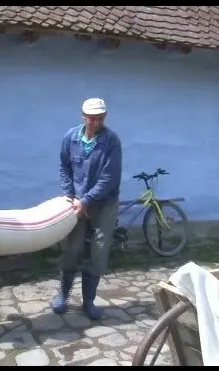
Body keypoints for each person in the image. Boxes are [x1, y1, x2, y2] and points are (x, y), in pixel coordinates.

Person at [52, 98, 123, 320]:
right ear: (83, 116)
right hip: (76, 203)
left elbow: (109, 178)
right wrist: (71, 196)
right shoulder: (71, 137)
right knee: (72, 247)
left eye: (100, 119)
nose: (95, 123)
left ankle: (88, 301)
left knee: (99, 251)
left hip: (103, 204)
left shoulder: (111, 141)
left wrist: (86, 200)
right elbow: (64, 167)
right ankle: (63, 295)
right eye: (92, 118)